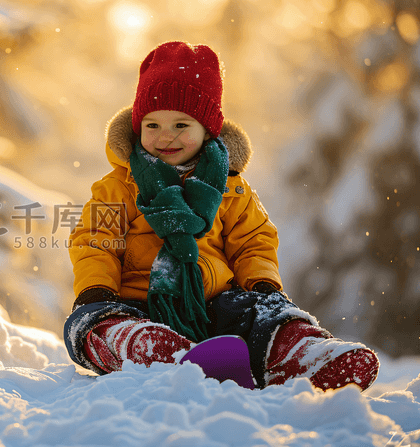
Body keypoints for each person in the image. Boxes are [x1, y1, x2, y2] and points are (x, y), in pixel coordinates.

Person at [63, 41, 379, 391]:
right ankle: (141, 346)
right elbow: (96, 241)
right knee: (88, 323)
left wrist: (260, 282)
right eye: (152, 125)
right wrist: (97, 290)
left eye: (181, 125)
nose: (165, 136)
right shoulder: (117, 188)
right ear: (138, 127)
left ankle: (300, 353)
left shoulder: (231, 189)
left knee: (265, 312)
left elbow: (253, 242)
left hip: (214, 306)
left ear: (208, 129)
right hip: (134, 301)